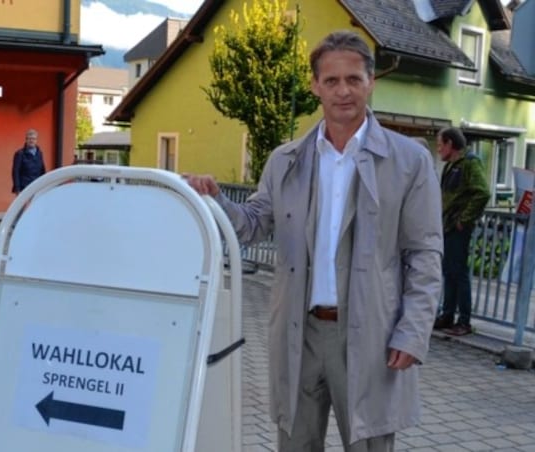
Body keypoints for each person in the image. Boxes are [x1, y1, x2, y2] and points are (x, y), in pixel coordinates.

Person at [185, 30, 442, 451]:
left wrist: (413, 333)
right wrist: (215, 201)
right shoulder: (287, 159)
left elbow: (425, 254)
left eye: (354, 79)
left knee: (369, 443)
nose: (344, 91)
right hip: (298, 332)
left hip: (372, 334)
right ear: (315, 86)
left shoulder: (409, 162)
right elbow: (250, 225)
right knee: (295, 442)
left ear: (370, 82)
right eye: (332, 81)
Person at [433, 127, 490, 336]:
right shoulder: (451, 166)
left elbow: (482, 192)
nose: (438, 150)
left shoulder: (470, 163)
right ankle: (447, 314)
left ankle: (464, 321)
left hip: (458, 227)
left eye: (440, 145)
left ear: (450, 144)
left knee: (459, 273)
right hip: (447, 225)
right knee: (449, 272)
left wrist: (463, 220)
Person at [12, 129, 46, 194]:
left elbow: (42, 170)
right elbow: (15, 172)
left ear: (36, 140)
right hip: (24, 187)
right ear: (26, 140)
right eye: (29, 138)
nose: (31, 141)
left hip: (37, 186)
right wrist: (17, 189)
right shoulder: (20, 154)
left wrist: (44, 185)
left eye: (33, 139)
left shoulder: (39, 153)